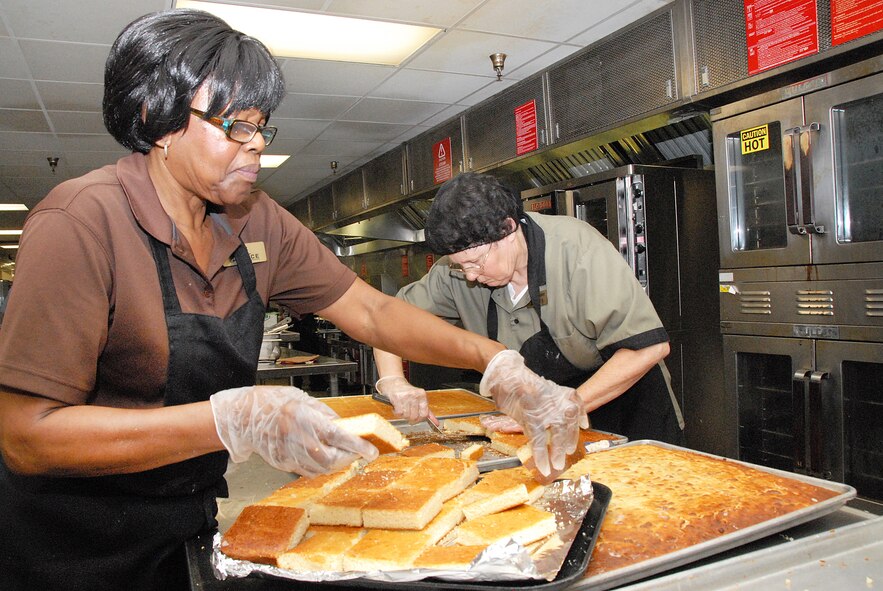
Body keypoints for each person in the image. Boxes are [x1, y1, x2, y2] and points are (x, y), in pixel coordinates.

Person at [0, 10, 582, 591]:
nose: (254, 149)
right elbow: (27, 436)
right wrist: (231, 420)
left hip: (186, 516)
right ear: (158, 119)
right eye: (234, 126)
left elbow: (372, 311)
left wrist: (496, 363)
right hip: (72, 545)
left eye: (261, 128)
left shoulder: (256, 221)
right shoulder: (80, 222)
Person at [374, 172, 684, 443]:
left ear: (507, 229)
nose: (469, 275)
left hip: (628, 407)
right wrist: (393, 380)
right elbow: (387, 318)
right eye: (460, 266)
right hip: (540, 418)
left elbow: (648, 348)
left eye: (474, 263)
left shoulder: (577, 250)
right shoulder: (456, 271)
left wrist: (565, 407)